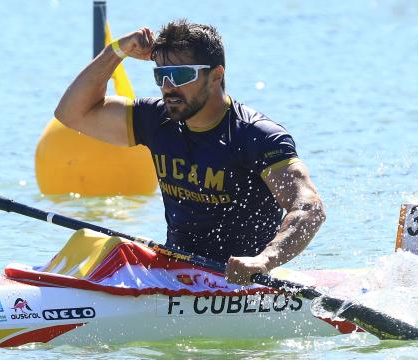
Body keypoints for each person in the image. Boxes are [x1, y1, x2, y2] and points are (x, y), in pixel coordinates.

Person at [55, 19, 326, 285]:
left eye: (181, 75)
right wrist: (117, 51)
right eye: (161, 75)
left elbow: (310, 207)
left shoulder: (256, 135)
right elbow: (71, 114)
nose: (168, 86)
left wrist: (265, 260)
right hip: (176, 272)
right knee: (94, 243)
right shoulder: (156, 120)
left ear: (215, 76)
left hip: (242, 282)